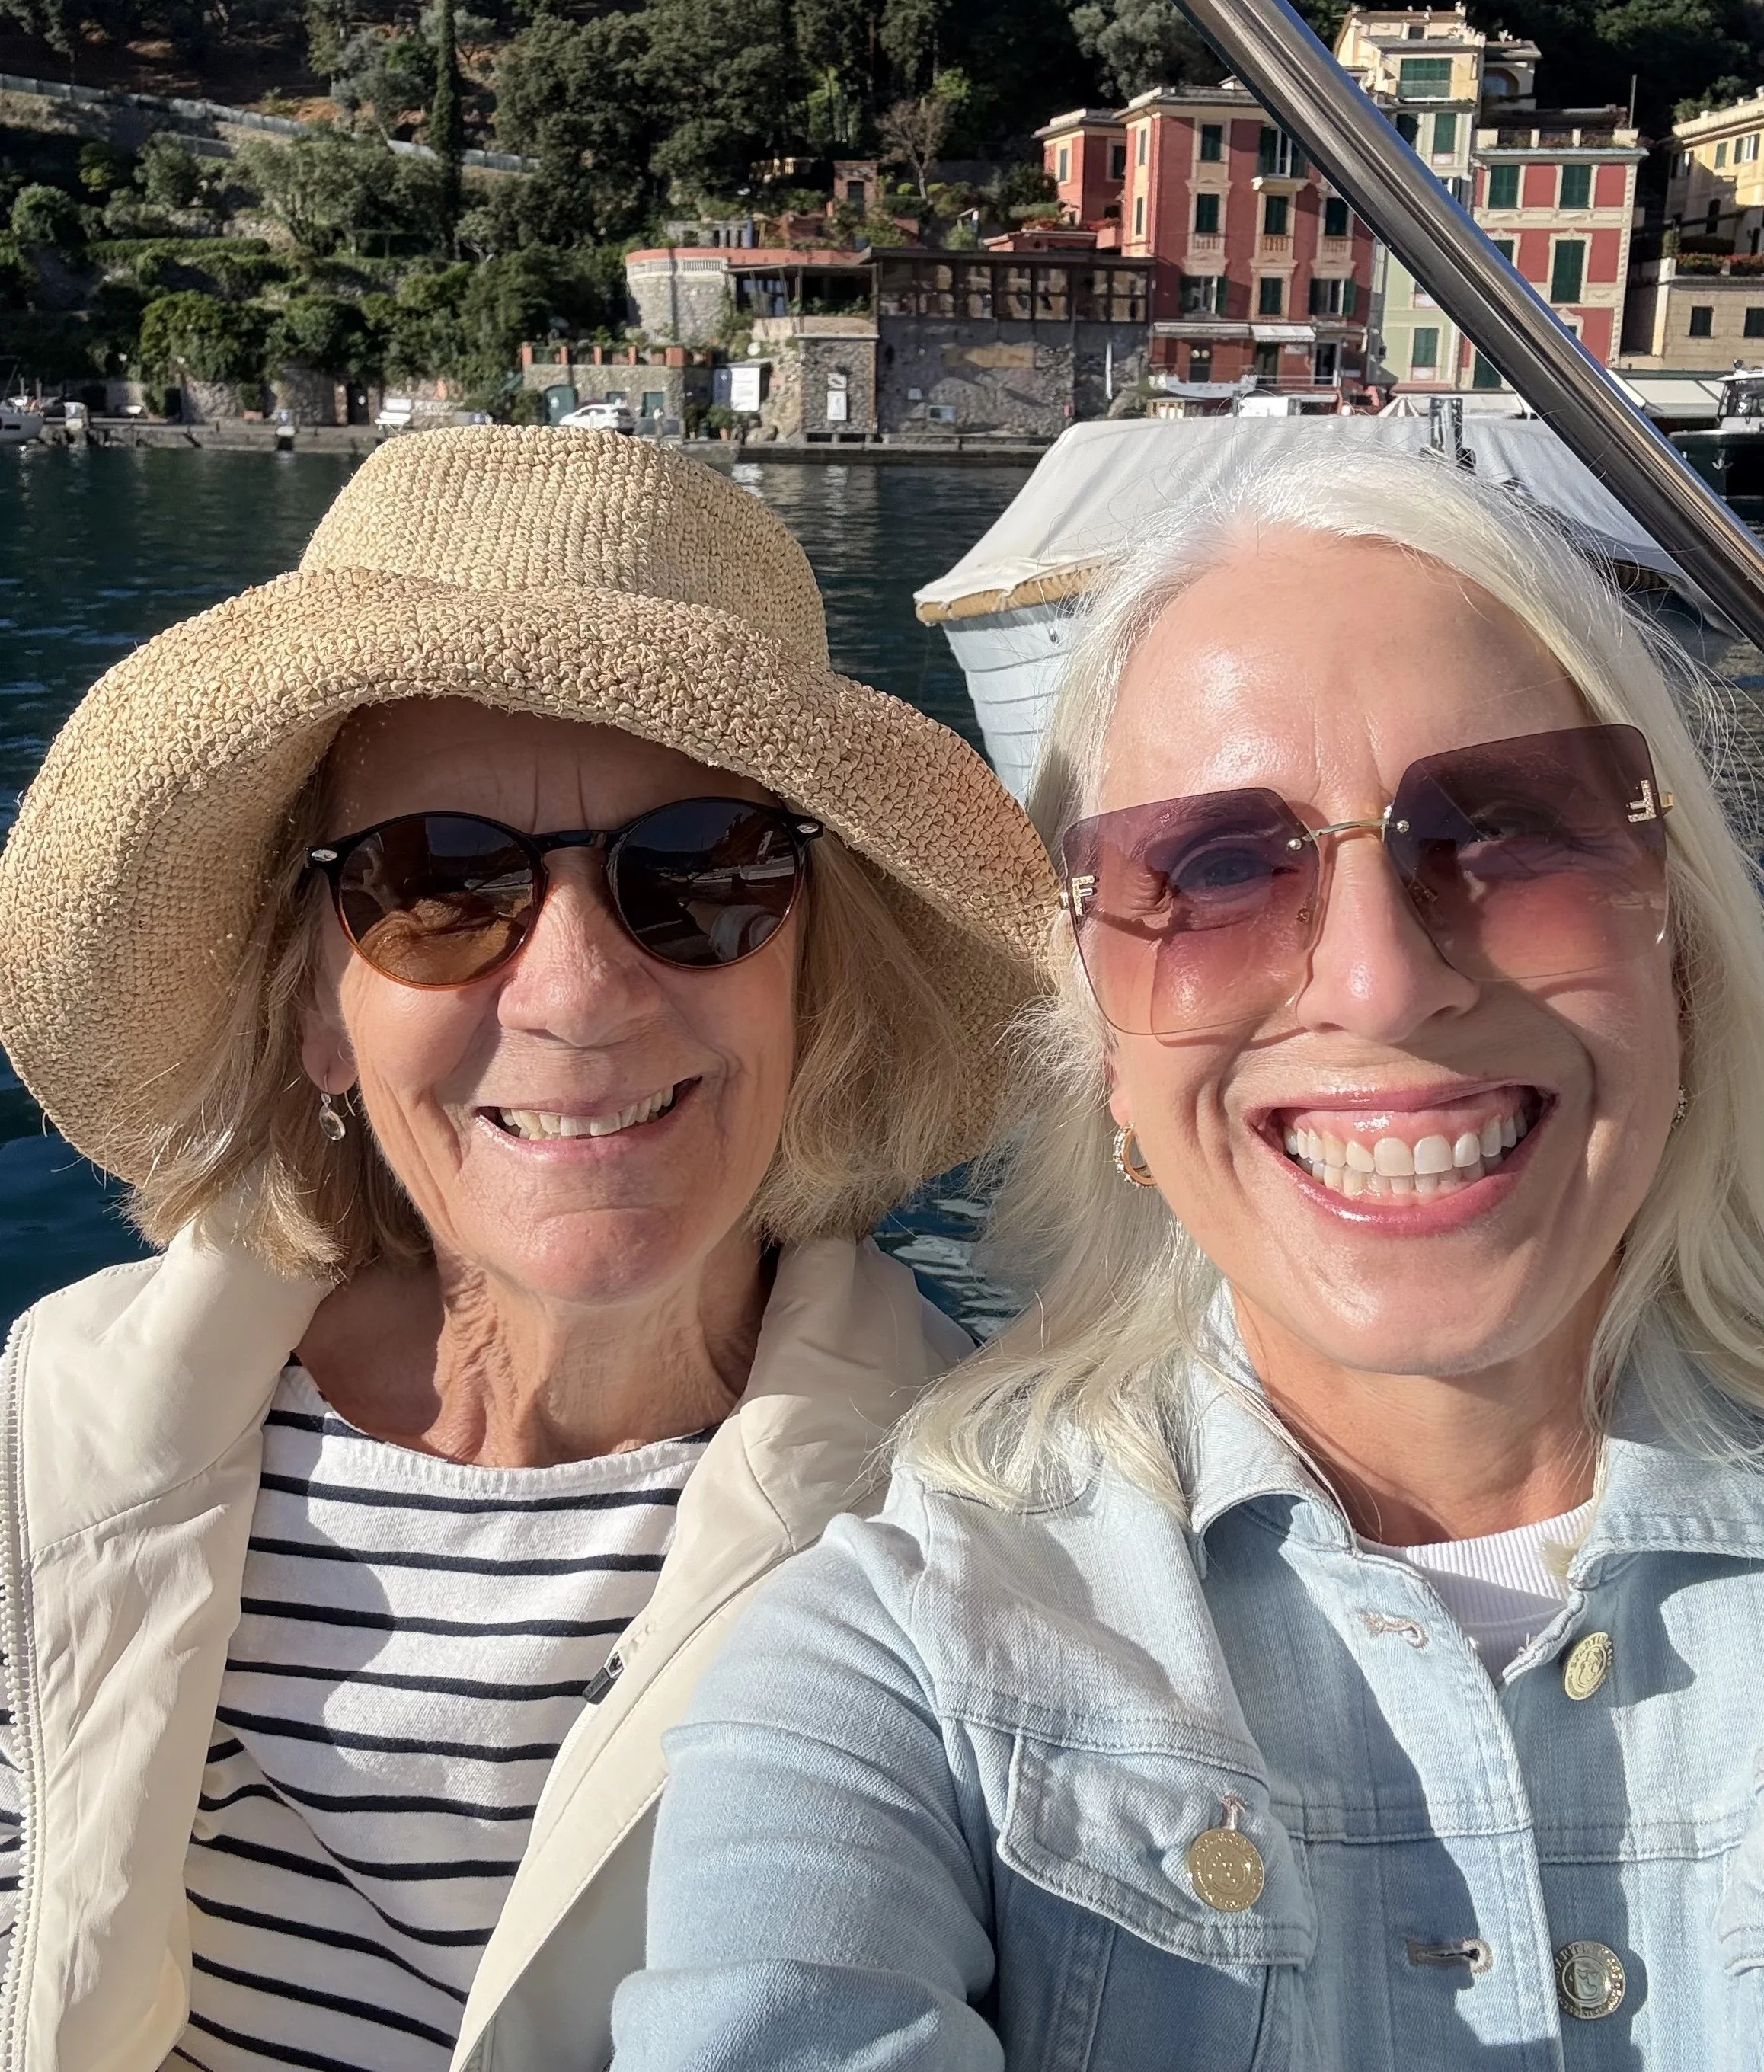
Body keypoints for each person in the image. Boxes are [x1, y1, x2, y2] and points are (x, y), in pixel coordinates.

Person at [613, 443, 1764, 2070]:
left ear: (1681, 956)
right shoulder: (905, 1671)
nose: (1378, 982)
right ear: (1108, 1060)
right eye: (1219, 871)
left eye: (1510, 831)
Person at [0, 426, 1053, 2072]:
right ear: (318, 1007)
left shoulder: (990, 1525)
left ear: (811, 972)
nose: (577, 992)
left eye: (702, 870)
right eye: (438, 885)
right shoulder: (57, 1436)